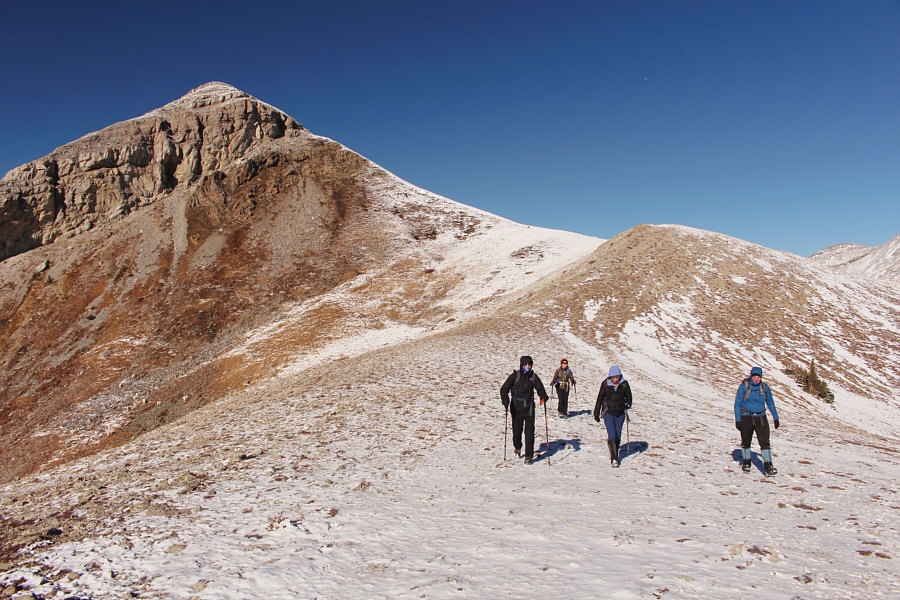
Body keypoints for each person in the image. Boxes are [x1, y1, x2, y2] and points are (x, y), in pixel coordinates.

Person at [500, 355, 549, 464]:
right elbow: (504, 389)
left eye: (530, 364)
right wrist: (505, 400)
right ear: (522, 365)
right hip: (516, 407)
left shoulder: (533, 377)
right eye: (526, 364)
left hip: (529, 407)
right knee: (517, 431)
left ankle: (528, 455)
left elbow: (540, 389)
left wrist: (543, 396)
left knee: (530, 432)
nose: (528, 366)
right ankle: (517, 447)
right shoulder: (515, 376)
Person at [734, 367, 779, 476]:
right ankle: (746, 463)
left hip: (761, 417)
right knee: (746, 441)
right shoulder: (744, 387)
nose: (756, 379)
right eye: (754, 377)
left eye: (758, 377)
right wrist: (738, 419)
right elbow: (737, 403)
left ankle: (768, 466)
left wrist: (775, 417)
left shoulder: (764, 387)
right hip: (746, 417)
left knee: (765, 442)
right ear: (751, 376)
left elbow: (770, 402)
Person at [593, 366, 632, 467]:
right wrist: (596, 413)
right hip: (608, 413)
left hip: (620, 413)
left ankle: (616, 451)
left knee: (618, 435)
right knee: (612, 434)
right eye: (614, 377)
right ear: (610, 376)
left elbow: (629, 396)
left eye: (617, 377)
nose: (615, 379)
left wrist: (628, 404)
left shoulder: (624, 384)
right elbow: (600, 398)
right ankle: (614, 458)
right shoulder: (606, 384)